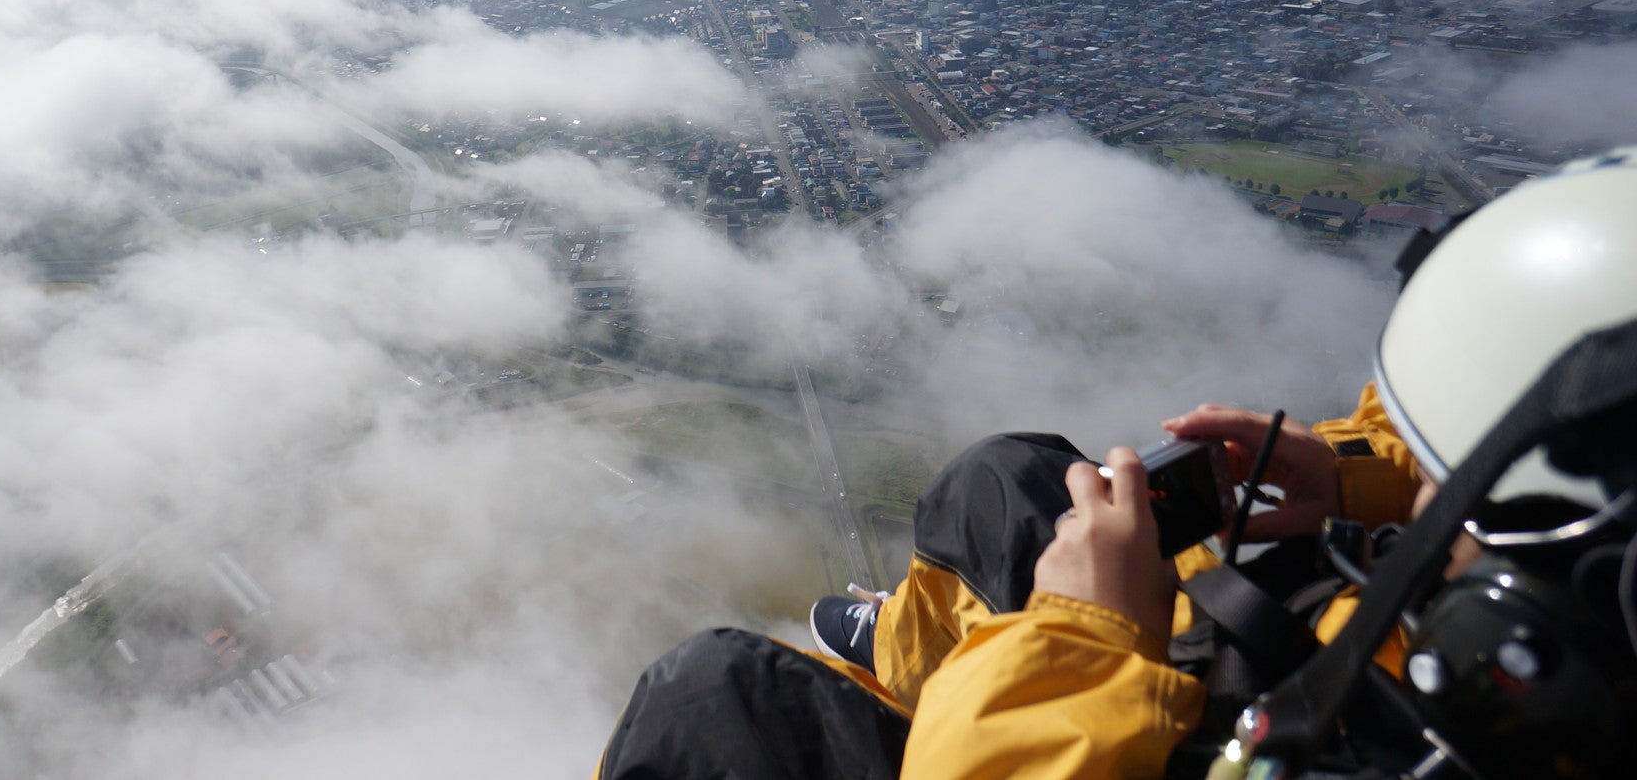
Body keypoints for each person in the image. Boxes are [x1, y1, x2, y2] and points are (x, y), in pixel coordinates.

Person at [596, 148, 1637, 780]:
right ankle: (920, 666)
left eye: (1444, 485)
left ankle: (957, 680)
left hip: (1140, 718)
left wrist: (1080, 639)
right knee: (1010, 487)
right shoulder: (1547, 627)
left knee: (712, 704)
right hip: (1319, 658)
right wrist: (1361, 477)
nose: (1425, 493)